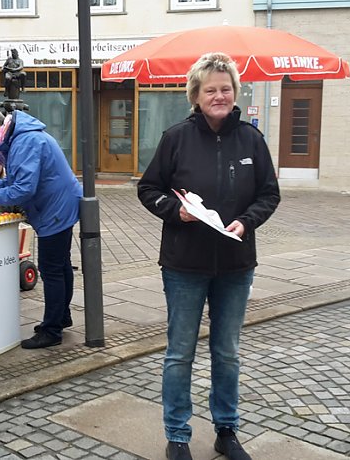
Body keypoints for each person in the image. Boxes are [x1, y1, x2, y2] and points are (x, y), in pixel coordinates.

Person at [137, 52, 280, 460]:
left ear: (235, 92)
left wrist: (247, 221)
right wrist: (176, 211)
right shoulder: (176, 138)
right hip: (185, 264)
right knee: (180, 352)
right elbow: (149, 189)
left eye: (226, 88)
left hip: (235, 265)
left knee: (227, 351)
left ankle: (226, 431)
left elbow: (269, 194)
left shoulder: (252, 139)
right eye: (211, 89)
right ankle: (178, 435)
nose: (220, 95)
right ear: (196, 96)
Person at [0, 106, 81, 349]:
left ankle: (51, 330)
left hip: (55, 211)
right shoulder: (22, 136)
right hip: (61, 205)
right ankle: (61, 316)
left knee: (52, 270)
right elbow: (16, 179)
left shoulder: (25, 141)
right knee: (61, 266)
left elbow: (24, 189)